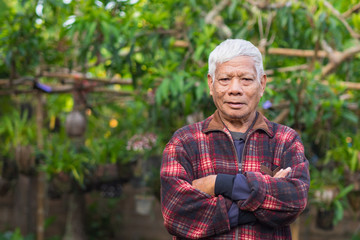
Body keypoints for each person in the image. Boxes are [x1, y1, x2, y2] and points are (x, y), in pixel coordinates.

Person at [160, 39, 310, 239]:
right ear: (211, 84)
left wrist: (220, 184)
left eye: (246, 79)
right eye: (224, 79)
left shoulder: (285, 140)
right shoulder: (185, 141)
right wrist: (264, 196)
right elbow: (176, 213)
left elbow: (295, 199)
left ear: (262, 84)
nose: (235, 89)